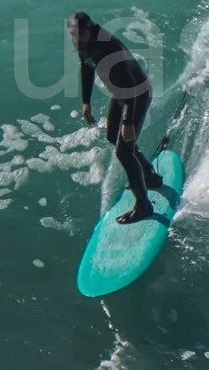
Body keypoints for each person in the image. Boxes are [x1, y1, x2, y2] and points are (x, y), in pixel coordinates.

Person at [69, 12, 166, 223]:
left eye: (79, 36)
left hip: (137, 94)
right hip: (121, 93)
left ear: (89, 30)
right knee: (112, 136)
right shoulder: (83, 44)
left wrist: (129, 121)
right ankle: (148, 175)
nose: (76, 41)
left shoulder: (109, 48)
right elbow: (86, 66)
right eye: (72, 36)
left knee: (124, 150)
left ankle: (144, 206)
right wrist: (86, 101)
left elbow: (132, 87)